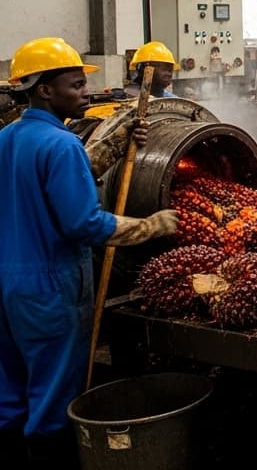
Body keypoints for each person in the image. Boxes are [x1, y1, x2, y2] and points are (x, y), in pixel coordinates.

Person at [1, 37, 178, 465]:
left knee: (9, 394)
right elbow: (82, 223)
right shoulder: (61, 146)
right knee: (54, 397)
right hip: (51, 288)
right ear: (44, 89)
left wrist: (116, 145)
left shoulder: (7, 137)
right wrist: (148, 227)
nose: (86, 93)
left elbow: (43, 186)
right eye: (76, 85)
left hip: (9, 284)